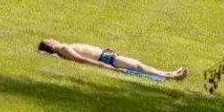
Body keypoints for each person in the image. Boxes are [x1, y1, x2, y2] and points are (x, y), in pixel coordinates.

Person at [37, 39, 186, 80]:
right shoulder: (62, 48)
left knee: (140, 66)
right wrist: (104, 66)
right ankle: (171, 76)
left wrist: (50, 55)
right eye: (49, 39)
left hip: (108, 57)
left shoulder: (60, 52)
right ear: (50, 44)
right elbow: (81, 59)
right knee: (139, 67)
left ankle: (169, 74)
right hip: (107, 59)